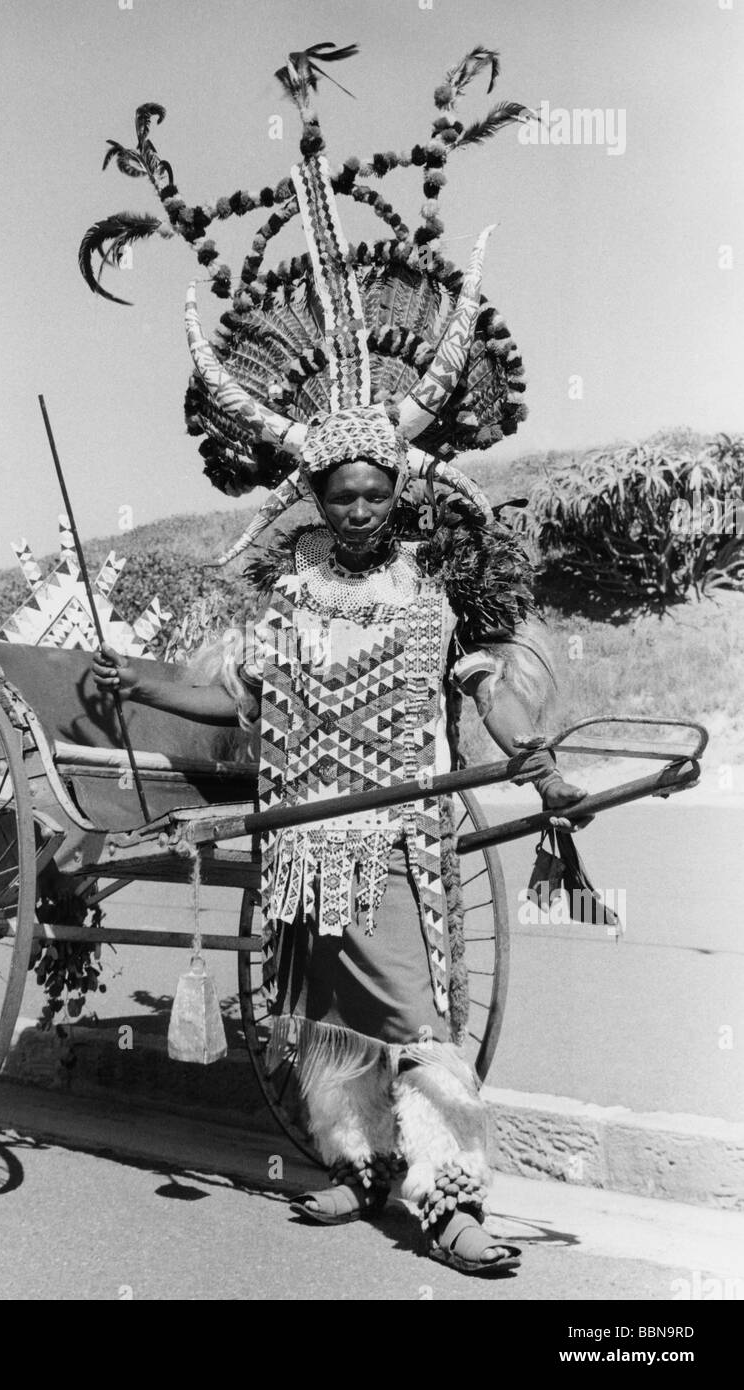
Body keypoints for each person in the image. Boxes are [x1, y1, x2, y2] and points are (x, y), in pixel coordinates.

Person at [85, 42, 587, 1274]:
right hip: (298, 838)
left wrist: (541, 772)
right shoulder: (286, 592)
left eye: (376, 490)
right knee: (321, 1022)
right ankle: (357, 1162)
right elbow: (228, 694)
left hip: (392, 842)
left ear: (398, 491)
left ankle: (446, 1190)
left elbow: (485, 686)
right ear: (315, 493)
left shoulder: (434, 586)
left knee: (414, 1016)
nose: (360, 507)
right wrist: (136, 682)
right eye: (341, 491)